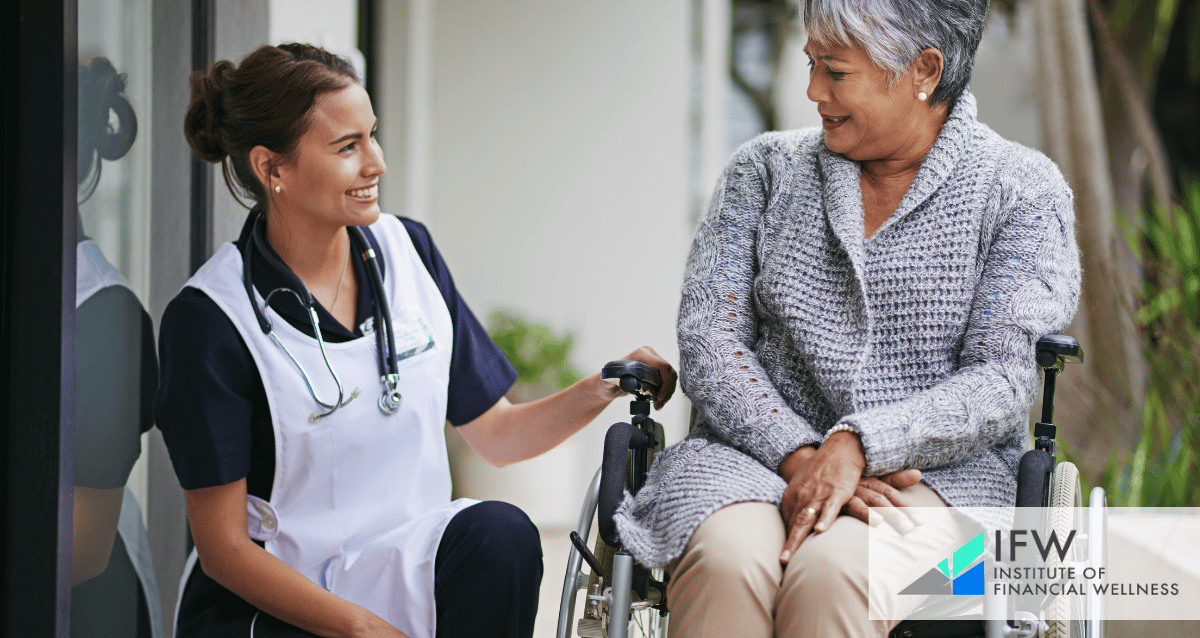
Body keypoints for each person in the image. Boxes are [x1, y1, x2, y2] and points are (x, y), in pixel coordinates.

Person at [155, 43, 675, 638]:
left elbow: (497, 435)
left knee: (499, 535)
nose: (376, 162)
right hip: (274, 604)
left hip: (398, 576)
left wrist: (606, 385)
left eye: (372, 136)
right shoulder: (211, 319)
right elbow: (223, 549)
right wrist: (361, 629)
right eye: (347, 147)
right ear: (273, 169)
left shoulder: (410, 254)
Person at [614, 0, 1081, 636]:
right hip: (749, 459)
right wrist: (801, 455)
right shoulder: (765, 172)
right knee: (727, 561)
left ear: (923, 71)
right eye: (811, 64)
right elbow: (710, 338)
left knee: (835, 573)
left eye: (835, 72)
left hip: (945, 482)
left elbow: (1000, 382)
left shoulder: (1022, 190)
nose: (812, 91)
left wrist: (860, 444)